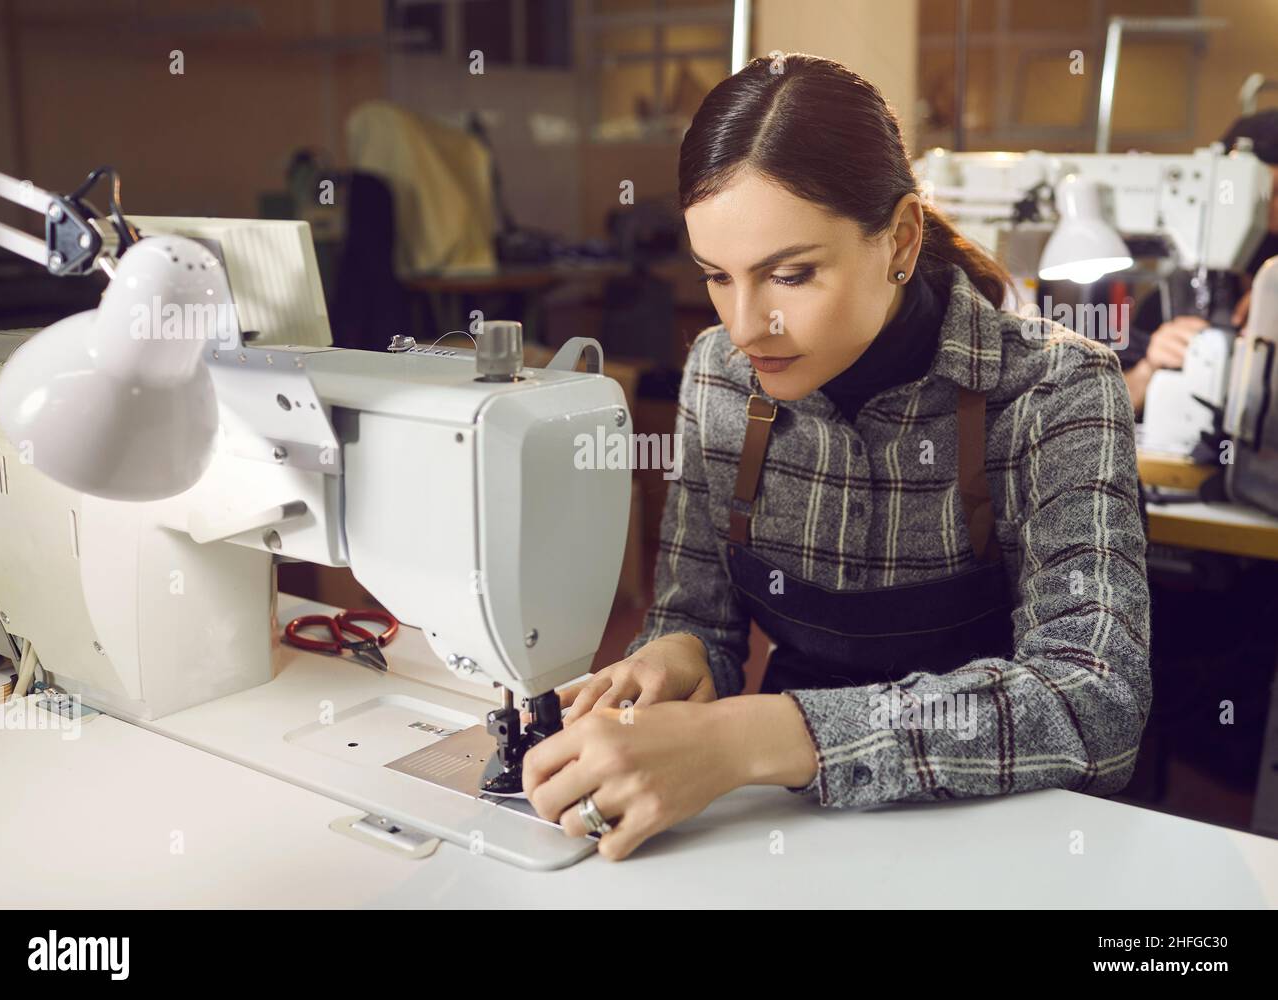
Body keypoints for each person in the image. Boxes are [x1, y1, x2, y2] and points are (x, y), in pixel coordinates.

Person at [522, 54, 1151, 861]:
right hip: (791, 831)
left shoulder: (1055, 391)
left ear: (900, 238)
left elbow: (1095, 702)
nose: (748, 326)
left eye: (791, 274)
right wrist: (674, 654)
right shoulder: (720, 374)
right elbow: (697, 619)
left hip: (1006, 840)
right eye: (717, 276)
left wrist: (756, 736)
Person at [1120, 110, 1278, 415]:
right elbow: (1114, 408)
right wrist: (1149, 368)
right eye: (1265, 196)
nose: (1273, 212)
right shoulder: (1173, 300)